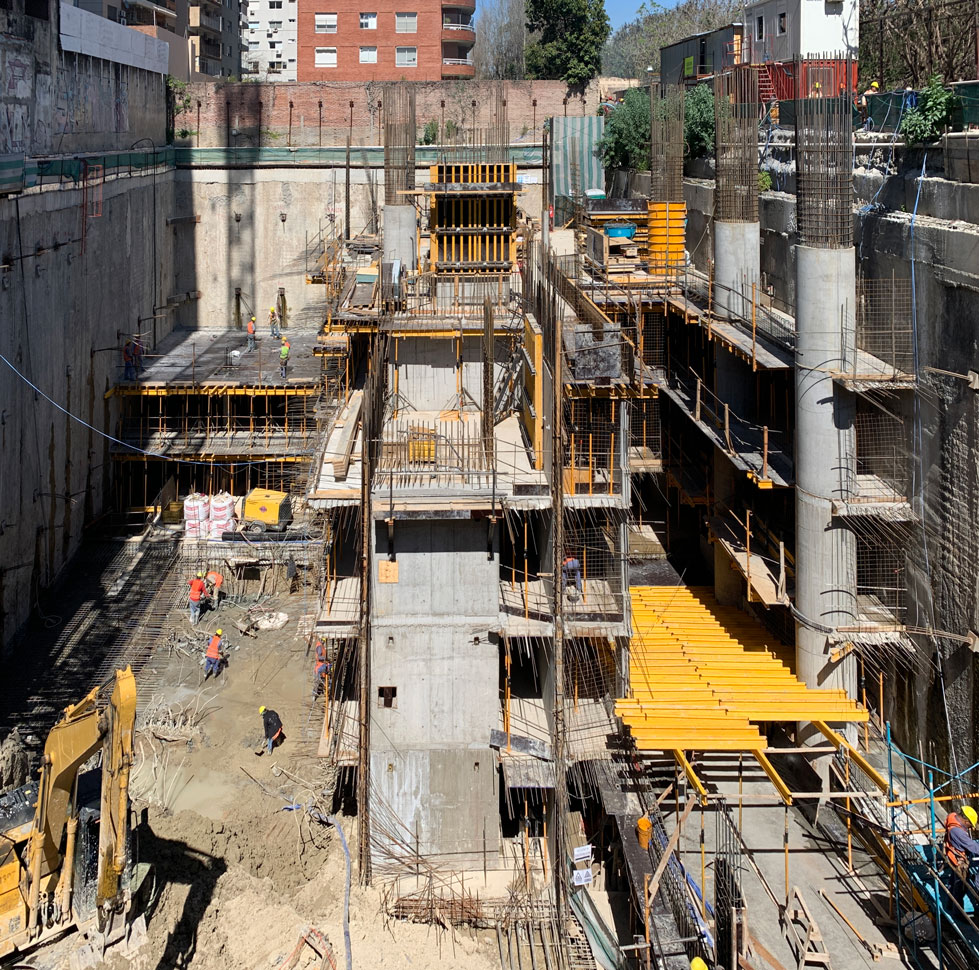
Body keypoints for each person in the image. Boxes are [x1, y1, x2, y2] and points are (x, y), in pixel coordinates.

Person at [943, 807, 979, 905]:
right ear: (966, 820)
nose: (970, 827)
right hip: (958, 860)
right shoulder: (957, 831)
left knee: (953, 881)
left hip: (953, 855)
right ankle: (957, 911)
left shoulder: (953, 817)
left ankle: (949, 903)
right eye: (970, 825)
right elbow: (972, 846)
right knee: (960, 886)